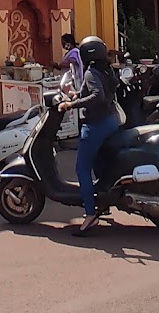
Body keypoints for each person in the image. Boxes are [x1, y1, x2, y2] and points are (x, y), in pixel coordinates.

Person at [57, 35, 119, 236]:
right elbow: (97, 93)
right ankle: (104, 201)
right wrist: (76, 94)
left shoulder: (92, 72)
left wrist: (70, 104)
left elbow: (97, 96)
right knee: (98, 162)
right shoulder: (107, 69)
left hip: (96, 125)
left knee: (81, 168)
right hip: (111, 121)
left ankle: (90, 214)